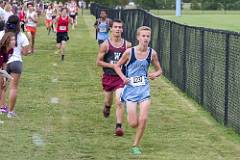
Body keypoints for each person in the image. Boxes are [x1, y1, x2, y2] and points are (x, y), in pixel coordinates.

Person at [114, 26, 162, 155]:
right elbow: (117, 66)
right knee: (133, 123)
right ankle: (121, 98)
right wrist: (123, 77)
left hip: (144, 90)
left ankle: (136, 145)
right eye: (143, 36)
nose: (145, 38)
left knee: (144, 118)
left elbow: (160, 70)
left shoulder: (152, 53)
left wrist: (154, 74)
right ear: (138, 37)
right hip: (130, 90)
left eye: (148, 36)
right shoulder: (129, 52)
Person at [96, 19, 131, 136]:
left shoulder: (128, 45)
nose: (118, 29)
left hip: (121, 78)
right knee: (108, 101)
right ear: (111, 29)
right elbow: (98, 62)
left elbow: (130, 61)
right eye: (116, 27)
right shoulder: (105, 45)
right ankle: (106, 107)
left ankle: (118, 127)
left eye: (120, 27)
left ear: (122, 29)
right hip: (108, 77)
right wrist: (112, 65)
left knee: (120, 101)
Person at [0, 15, 30, 118]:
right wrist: (21, 51)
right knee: (13, 88)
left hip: (3, 62)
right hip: (16, 62)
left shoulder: (2, 34)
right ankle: (11, 112)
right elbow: (26, 51)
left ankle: (2, 107)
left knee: (2, 86)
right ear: (18, 24)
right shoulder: (21, 35)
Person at [0, 32, 15, 113]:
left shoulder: (10, 50)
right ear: (6, 41)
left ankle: (2, 106)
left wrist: (5, 77)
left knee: (3, 85)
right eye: (11, 40)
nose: (14, 41)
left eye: (14, 39)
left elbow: (5, 63)